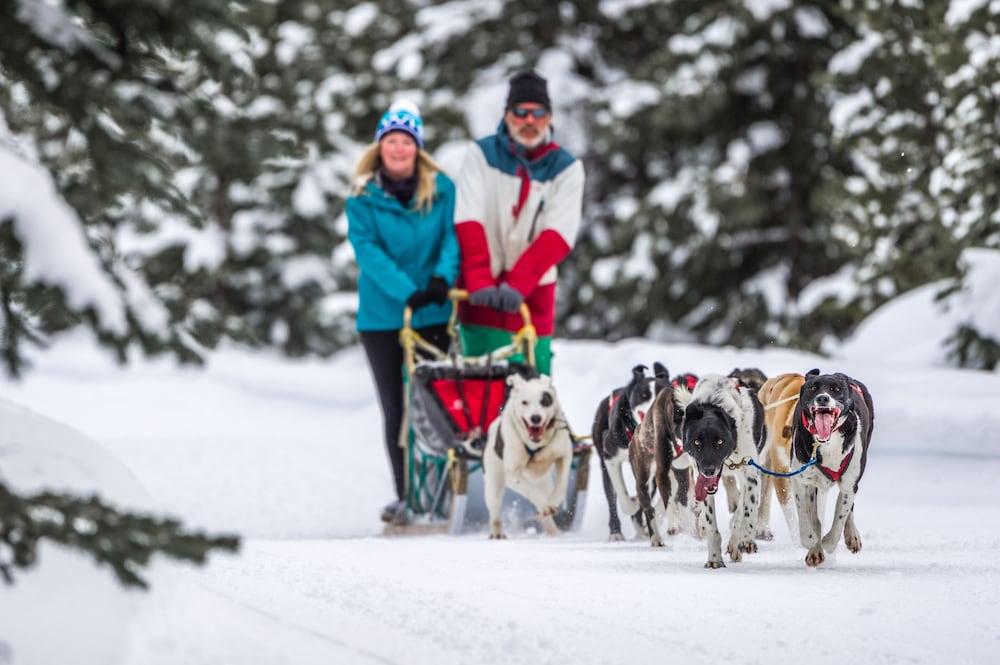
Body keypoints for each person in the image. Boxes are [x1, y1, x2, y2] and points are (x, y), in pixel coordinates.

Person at [347, 100, 459, 525]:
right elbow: (367, 251)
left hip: (433, 311)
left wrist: (440, 280)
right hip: (383, 318)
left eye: (406, 142)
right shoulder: (362, 197)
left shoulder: (443, 189)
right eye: (391, 141)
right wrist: (407, 291)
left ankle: (447, 490)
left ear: (417, 148)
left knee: (438, 403)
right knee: (397, 409)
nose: (398, 149)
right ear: (380, 147)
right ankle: (407, 494)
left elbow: (452, 238)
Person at [453, 70, 584, 376]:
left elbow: (558, 234)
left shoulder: (566, 169)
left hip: (532, 297)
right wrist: (479, 277)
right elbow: (468, 217)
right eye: (520, 112)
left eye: (537, 112)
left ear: (548, 116)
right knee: (481, 387)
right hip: (481, 294)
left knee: (534, 391)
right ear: (507, 115)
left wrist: (519, 282)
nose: (529, 121)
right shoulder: (482, 155)